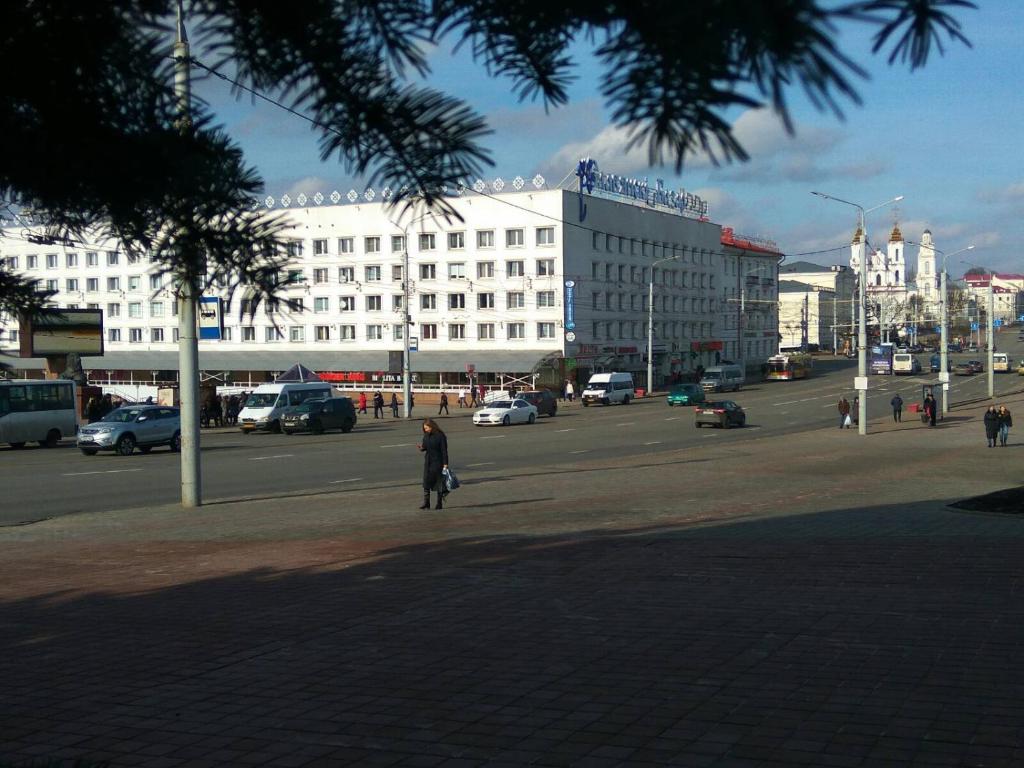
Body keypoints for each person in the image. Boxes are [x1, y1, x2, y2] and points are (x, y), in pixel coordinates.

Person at [417, 418, 449, 510]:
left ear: (431, 426)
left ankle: (439, 503)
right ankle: (426, 502)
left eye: (426, 428)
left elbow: (444, 451)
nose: (425, 430)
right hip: (428, 461)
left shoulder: (440, 436)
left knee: (439, 483)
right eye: (424, 428)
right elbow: (425, 447)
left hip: (438, 462)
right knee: (426, 482)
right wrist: (422, 448)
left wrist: (445, 464)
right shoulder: (426, 435)